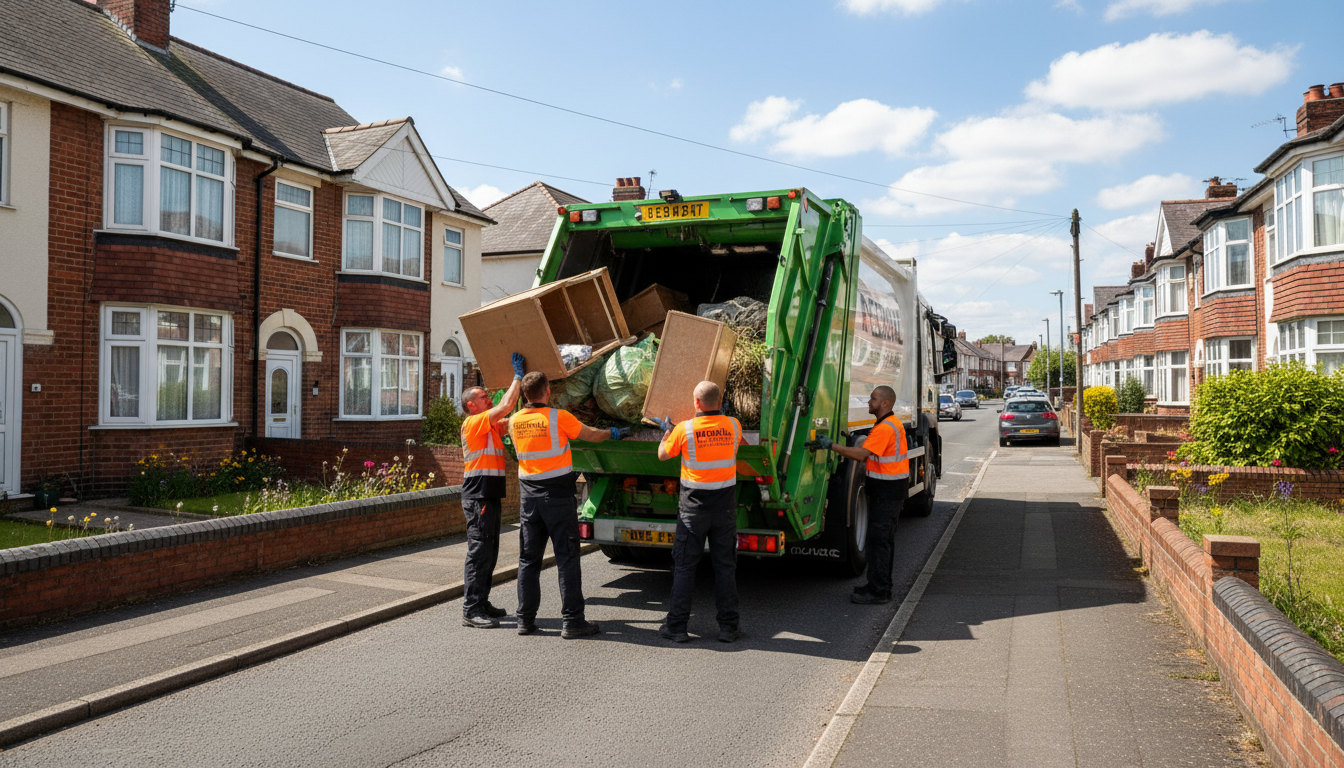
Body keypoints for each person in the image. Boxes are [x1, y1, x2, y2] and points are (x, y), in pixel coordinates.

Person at [510, 371, 628, 638]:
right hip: (558, 498)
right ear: (548, 390)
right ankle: (573, 621)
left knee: (528, 560)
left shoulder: (514, 421)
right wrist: (614, 432)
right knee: (566, 557)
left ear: (525, 395)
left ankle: (525, 621)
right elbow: (591, 435)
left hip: (529, 499)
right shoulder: (558, 418)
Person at [653, 381, 744, 643]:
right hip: (724, 509)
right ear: (721, 400)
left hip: (693, 511)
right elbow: (739, 445)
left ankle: (677, 628)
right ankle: (729, 627)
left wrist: (667, 434)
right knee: (725, 567)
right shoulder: (733, 425)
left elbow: (662, 455)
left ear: (696, 403)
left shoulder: (685, 429)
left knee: (684, 567)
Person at [806, 386, 908, 604]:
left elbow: (861, 454)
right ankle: (879, 586)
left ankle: (879, 591)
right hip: (888, 491)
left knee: (879, 542)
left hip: (886, 492)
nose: (869, 402)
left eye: (873, 399)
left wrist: (831, 445)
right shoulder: (887, 424)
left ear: (885, 404)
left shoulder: (885, 427)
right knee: (881, 541)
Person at [458, 352, 526, 629]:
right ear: (472, 405)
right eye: (485, 398)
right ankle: (471, 609)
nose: (490, 400)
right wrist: (518, 377)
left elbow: (512, 418)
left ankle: (482, 601)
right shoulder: (474, 423)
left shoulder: (489, 427)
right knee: (479, 552)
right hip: (479, 497)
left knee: (490, 551)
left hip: (489, 495)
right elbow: (507, 405)